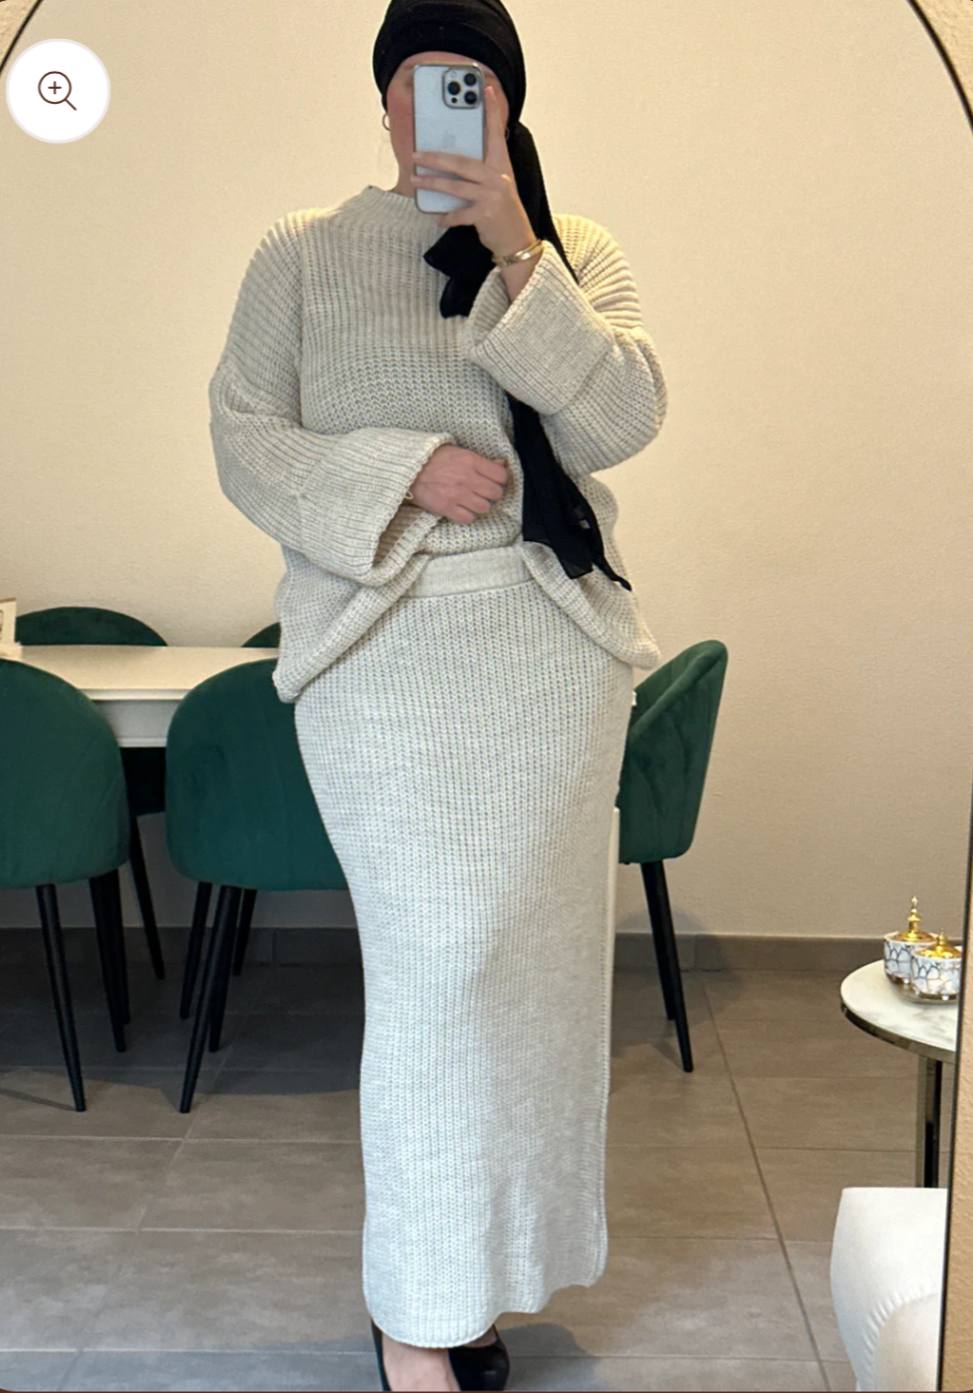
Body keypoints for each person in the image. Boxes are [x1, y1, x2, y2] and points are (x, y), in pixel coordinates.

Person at [207, 2, 668, 1387]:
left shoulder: (573, 250)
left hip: (550, 646)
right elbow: (243, 436)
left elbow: (620, 422)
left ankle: (477, 1285)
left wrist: (519, 248)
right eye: (417, 83)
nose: (438, 107)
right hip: (382, 643)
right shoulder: (299, 250)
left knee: (528, 981)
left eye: (468, 84)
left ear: (506, 105)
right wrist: (399, 468)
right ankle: (417, 1307)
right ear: (383, 104)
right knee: (440, 965)